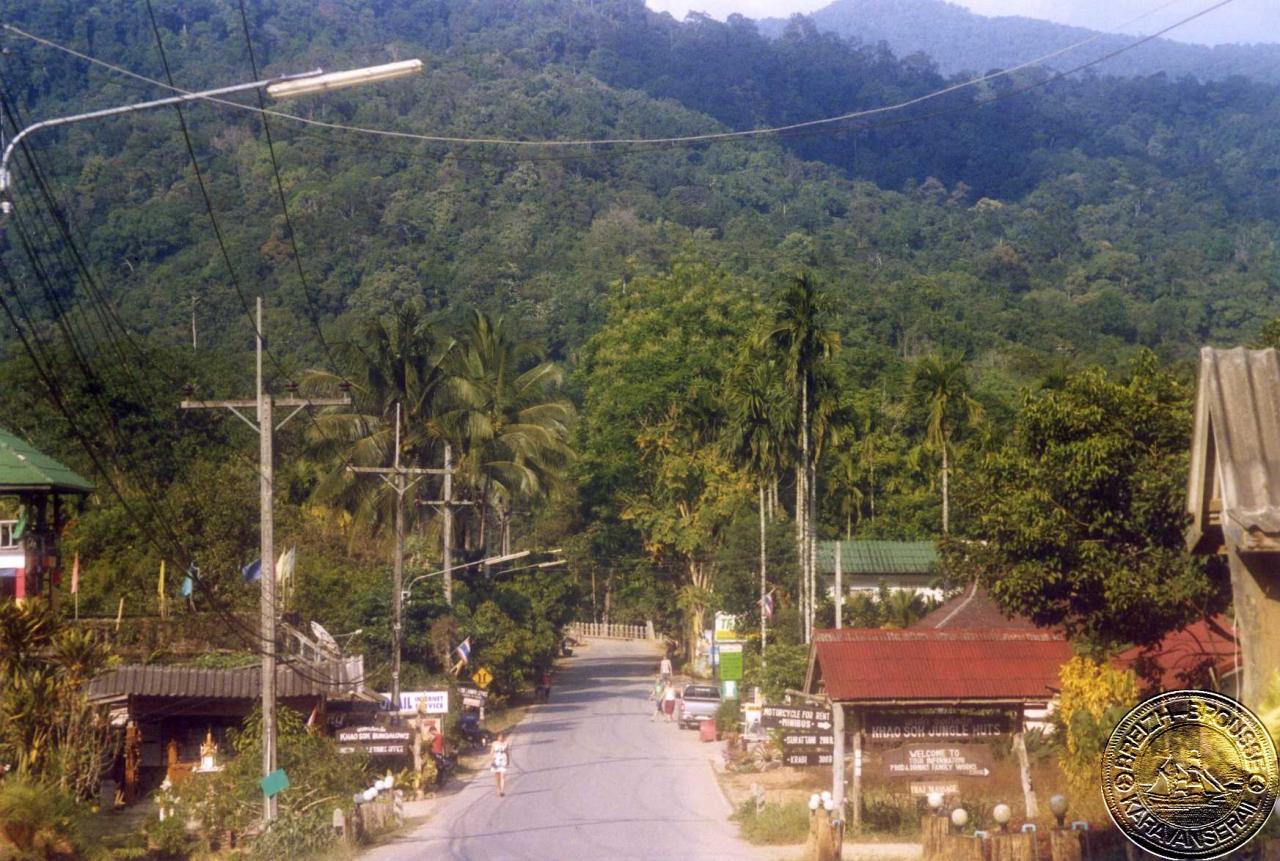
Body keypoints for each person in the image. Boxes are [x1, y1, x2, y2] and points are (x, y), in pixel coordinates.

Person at [490, 731, 511, 797]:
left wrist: (508, 760)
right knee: (497, 777)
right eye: (499, 737)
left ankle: (502, 791)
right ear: (497, 737)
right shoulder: (494, 743)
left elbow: (507, 753)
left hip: (503, 761)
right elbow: (491, 753)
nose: (500, 738)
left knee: (503, 775)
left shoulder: (506, 744)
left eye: (502, 737)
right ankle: (498, 789)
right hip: (496, 761)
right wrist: (492, 761)